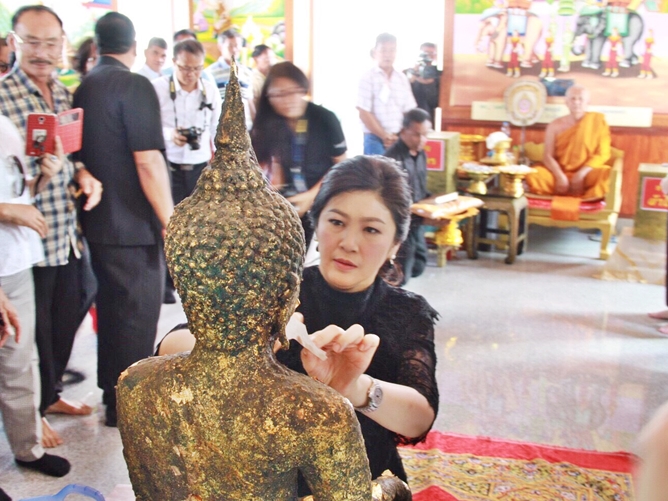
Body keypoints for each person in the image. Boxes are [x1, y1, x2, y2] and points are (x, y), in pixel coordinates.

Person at [157, 156, 439, 496]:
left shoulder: (407, 311)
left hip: (364, 482)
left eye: (371, 230)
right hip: (260, 481)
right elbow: (168, 347)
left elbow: (419, 419)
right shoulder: (273, 290)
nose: (349, 242)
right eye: (337, 222)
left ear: (395, 244)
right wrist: (255, 338)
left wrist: (354, 388)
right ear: (316, 223)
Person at [0, 5, 103, 447]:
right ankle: (33, 411)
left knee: (72, 308)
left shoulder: (63, 94)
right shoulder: (3, 97)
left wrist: (83, 174)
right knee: (33, 332)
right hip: (24, 242)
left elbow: (70, 155)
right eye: (32, 42)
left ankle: (51, 392)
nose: (42, 52)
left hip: (67, 232)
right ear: (14, 43)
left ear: (62, 44)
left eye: (50, 43)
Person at [73, 12, 173, 427]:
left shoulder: (84, 86)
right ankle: (127, 406)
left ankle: (110, 394)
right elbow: (148, 161)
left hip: (97, 221)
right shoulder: (134, 85)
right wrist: (170, 219)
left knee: (112, 314)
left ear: (97, 46)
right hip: (134, 225)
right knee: (135, 317)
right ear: (133, 46)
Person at [0, 115, 71, 486]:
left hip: (13, 262)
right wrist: (5, 210)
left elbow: (17, 191)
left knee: (19, 359)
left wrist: (44, 176)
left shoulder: (5, 125)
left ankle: (27, 448)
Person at [152, 39, 221, 303]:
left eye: (196, 68)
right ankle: (166, 282)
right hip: (167, 168)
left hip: (199, 169)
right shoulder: (158, 88)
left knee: (197, 226)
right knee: (167, 225)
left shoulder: (209, 89)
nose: (191, 74)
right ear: (174, 63)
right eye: (184, 68)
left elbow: (217, 127)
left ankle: (193, 279)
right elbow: (147, 127)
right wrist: (170, 135)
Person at [251, 61, 347, 246]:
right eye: (279, 94)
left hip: (323, 199)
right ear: (268, 97)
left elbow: (342, 165)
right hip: (286, 206)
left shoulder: (325, 119)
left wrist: (311, 196)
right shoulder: (267, 123)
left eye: (294, 91)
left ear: (303, 88)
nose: (288, 100)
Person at [525, 85, 611, 199]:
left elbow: (603, 154)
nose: (576, 102)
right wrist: (560, 176)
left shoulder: (597, 122)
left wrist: (581, 174)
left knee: (607, 175)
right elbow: (548, 156)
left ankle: (588, 202)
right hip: (559, 173)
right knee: (535, 174)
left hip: (587, 173)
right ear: (566, 102)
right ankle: (566, 197)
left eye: (580, 99)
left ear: (587, 102)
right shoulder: (555, 125)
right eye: (572, 99)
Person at [384, 108, 432, 284]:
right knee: (400, 274)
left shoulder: (421, 154)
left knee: (419, 265)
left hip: (417, 220)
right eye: (417, 135)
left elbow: (421, 187)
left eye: (425, 135)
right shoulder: (392, 159)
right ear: (403, 131)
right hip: (401, 223)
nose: (422, 140)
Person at [357, 33, 417, 155]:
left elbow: (409, 111)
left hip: (398, 137)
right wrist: (384, 136)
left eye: (392, 50)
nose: (388, 55)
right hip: (374, 139)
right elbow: (364, 112)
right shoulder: (367, 77)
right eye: (383, 50)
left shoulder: (402, 78)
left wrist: (402, 135)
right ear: (375, 52)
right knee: (376, 168)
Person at [206, 28, 254, 129]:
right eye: (230, 46)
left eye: (237, 45)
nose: (234, 49)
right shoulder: (210, 73)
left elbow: (250, 101)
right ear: (220, 47)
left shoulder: (247, 72)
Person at [405, 42, 441, 125]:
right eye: (425, 53)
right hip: (411, 116)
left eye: (432, 53)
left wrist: (431, 82)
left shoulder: (439, 74)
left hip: (430, 117)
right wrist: (414, 74)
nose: (428, 56)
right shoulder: (408, 72)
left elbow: (437, 100)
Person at [250, 43, 274, 110]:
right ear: (256, 59)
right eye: (267, 58)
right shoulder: (251, 79)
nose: (270, 61)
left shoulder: (275, 76)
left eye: (272, 58)